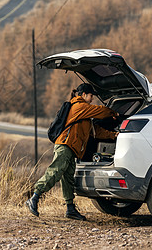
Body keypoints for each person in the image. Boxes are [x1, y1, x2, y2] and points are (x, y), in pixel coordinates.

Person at [26, 83, 119, 220]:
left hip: (72, 149)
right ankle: (34, 197)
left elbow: (95, 131)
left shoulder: (84, 113)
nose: (92, 98)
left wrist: (113, 135)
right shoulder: (79, 106)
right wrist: (112, 112)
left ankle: (70, 209)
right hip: (65, 146)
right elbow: (99, 111)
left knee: (68, 178)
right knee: (55, 172)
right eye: (91, 96)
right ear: (83, 95)